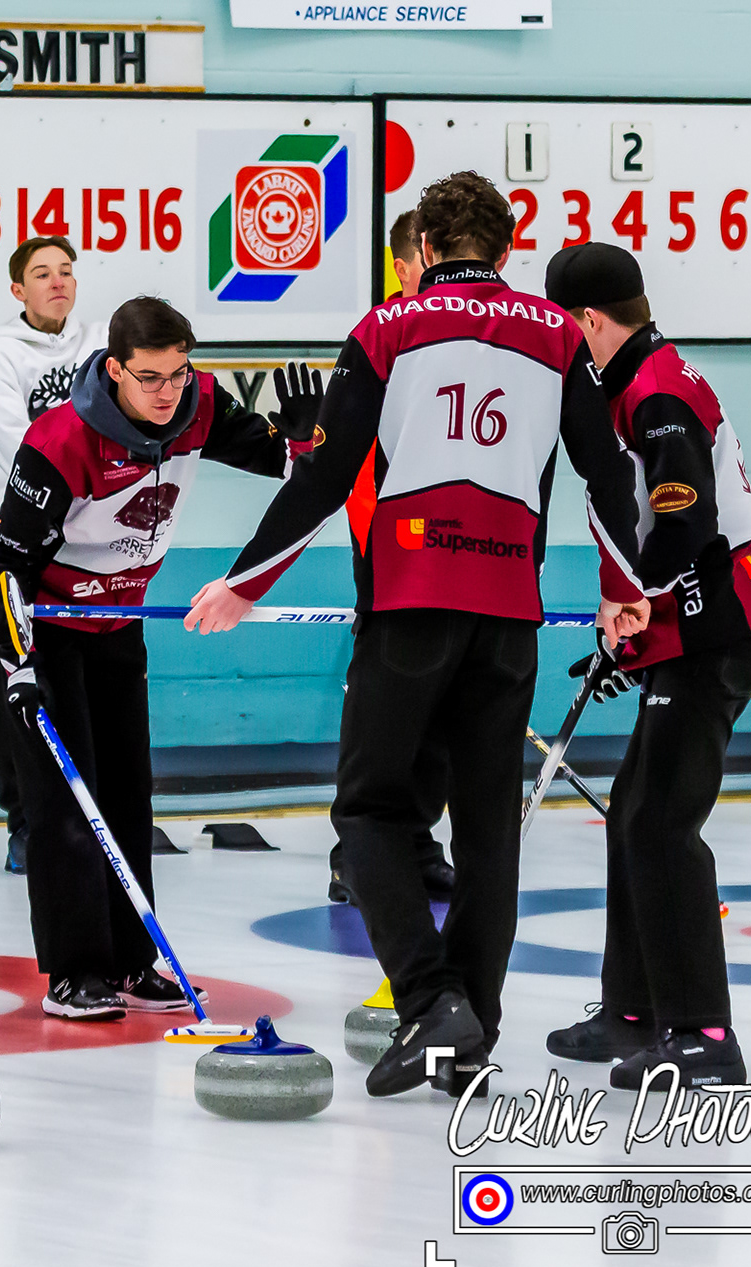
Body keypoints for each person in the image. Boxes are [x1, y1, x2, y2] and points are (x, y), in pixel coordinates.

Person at [184, 172, 650, 1096]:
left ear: (426, 251)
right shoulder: (560, 338)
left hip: (409, 603)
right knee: (488, 831)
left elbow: (326, 475)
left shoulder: (383, 330)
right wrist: (624, 589)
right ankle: (467, 1032)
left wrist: (243, 581)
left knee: (367, 809)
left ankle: (430, 1000)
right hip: (508, 608)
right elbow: (608, 475)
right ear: (508, 252)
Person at [0, 295, 321, 1020]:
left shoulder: (197, 407)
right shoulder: (60, 441)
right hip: (52, 628)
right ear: (114, 370)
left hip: (119, 622)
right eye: (150, 378)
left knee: (129, 796)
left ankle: (135, 962)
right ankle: (76, 972)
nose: (168, 393)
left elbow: (275, 462)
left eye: (179, 373)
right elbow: (4, 563)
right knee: (68, 805)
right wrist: (19, 665)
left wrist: (301, 442)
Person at [540, 242, 751, 1090]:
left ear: (588, 322)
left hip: (718, 626)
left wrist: (637, 606)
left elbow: (684, 520)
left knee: (661, 822)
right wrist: (631, 638)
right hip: (691, 624)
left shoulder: (657, 393)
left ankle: (703, 1033)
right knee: (635, 812)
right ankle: (632, 1011)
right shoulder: (640, 379)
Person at [328, 208, 455, 906]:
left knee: (443, 701)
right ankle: (356, 851)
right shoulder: (386, 337)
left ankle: (415, 839)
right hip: (387, 540)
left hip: (455, 545)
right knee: (384, 700)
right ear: (407, 266)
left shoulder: (473, 336)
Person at [0, 235, 107, 875]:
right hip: (11, 523)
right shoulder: (0, 355)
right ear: (18, 290)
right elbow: (12, 447)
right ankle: (24, 821)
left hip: (86, 527)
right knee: (16, 672)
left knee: (87, 668)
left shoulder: (101, 347)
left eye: (66, 271)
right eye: (42, 274)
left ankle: (92, 811)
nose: (58, 282)